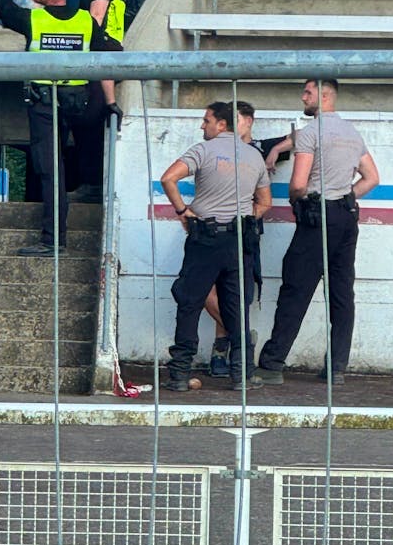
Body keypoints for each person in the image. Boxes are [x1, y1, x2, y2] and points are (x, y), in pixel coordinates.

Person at [256, 79, 379, 386]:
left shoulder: (312, 132)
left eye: (308, 93)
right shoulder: (352, 133)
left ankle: (272, 364)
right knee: (341, 293)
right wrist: (346, 197)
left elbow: (298, 184)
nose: (303, 97)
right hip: (346, 218)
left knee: (295, 289)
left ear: (324, 96)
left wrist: (297, 201)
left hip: (316, 218)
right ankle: (337, 367)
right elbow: (372, 178)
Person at [0, 0, 119, 257]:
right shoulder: (86, 21)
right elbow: (106, 61)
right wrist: (111, 103)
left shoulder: (34, 19)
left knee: (50, 170)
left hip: (45, 105)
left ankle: (53, 241)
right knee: (66, 162)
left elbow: (4, 8)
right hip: (78, 103)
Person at [160, 100, 271, 391]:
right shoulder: (254, 156)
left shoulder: (203, 150)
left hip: (205, 237)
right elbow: (265, 202)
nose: (202, 125)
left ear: (222, 124)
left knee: (190, 303)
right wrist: (243, 217)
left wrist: (183, 211)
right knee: (236, 307)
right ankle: (242, 375)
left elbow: (168, 178)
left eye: (206, 120)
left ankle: (180, 374)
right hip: (239, 241)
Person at [205, 101, 291, 377]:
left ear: (249, 121)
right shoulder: (217, 148)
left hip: (245, 231)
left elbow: (302, 135)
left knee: (235, 293)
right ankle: (240, 337)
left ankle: (222, 351)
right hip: (212, 229)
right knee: (205, 289)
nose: (232, 125)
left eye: (238, 120)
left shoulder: (260, 148)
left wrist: (275, 151)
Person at [68, 0, 127, 202]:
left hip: (103, 49)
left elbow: (97, 15)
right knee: (88, 118)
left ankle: (92, 184)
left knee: (88, 119)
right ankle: (92, 183)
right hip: (105, 49)